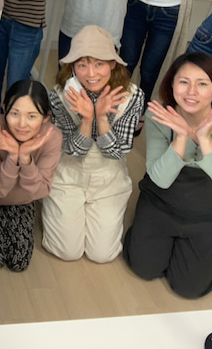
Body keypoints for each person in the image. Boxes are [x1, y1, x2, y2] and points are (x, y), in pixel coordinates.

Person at [123, 53, 212, 298]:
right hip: (161, 203)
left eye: (202, 83)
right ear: (171, 84)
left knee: (189, 288)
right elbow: (159, 179)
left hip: (210, 215)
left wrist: (204, 139)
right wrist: (181, 138)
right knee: (143, 268)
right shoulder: (159, 115)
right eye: (183, 82)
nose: (191, 92)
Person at [42, 25, 144, 263]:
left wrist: (101, 117)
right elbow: (73, 151)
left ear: (112, 64)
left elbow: (117, 152)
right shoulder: (59, 95)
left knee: (102, 254)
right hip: (67, 176)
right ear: (72, 66)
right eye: (82, 65)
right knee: (68, 252)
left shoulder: (133, 96)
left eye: (99, 64)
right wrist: (87, 119)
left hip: (109, 179)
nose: (90, 74)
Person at [0, 79, 62, 272]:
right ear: (4, 109)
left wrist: (25, 159)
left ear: (46, 117)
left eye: (32, 116)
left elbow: (41, 190)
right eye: (15, 113)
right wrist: (12, 157)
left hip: (22, 200)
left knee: (19, 262)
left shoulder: (52, 137)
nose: (21, 124)